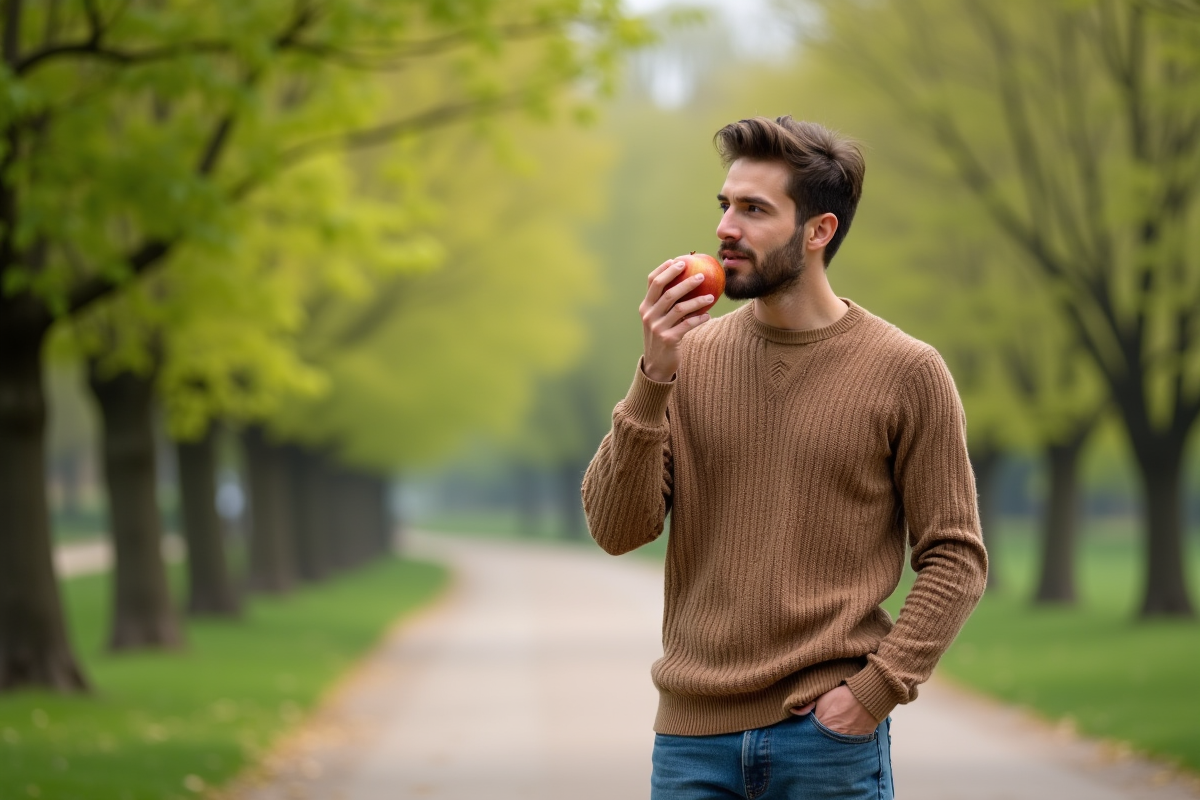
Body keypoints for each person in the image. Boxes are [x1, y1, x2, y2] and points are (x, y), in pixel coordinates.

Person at [580, 116, 988, 800]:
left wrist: (872, 694)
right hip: (690, 747)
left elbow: (957, 557)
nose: (725, 229)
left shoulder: (907, 370)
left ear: (818, 231)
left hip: (826, 743)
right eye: (725, 206)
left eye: (754, 210)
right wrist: (654, 375)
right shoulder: (687, 359)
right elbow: (617, 531)